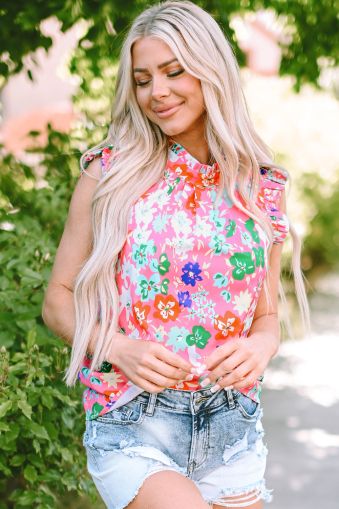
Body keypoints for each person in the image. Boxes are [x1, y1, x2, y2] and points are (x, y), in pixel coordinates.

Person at [42, 1, 309, 508]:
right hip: (132, 420)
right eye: (143, 79)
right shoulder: (110, 173)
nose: (156, 92)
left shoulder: (261, 187)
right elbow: (58, 301)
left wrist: (261, 348)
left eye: (173, 71)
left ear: (211, 71)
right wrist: (118, 348)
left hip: (231, 426)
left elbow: (267, 316)